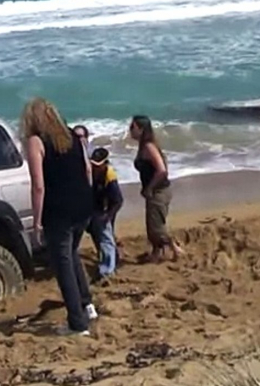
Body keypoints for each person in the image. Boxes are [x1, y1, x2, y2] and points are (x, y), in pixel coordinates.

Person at [22, 97, 97, 336]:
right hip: (83, 205)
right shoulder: (73, 137)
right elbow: (87, 169)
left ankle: (78, 324)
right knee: (71, 254)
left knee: (62, 264)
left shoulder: (36, 141)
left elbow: (38, 186)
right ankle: (88, 304)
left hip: (60, 211)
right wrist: (86, 195)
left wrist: (37, 221)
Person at [129, 115, 185, 262]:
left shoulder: (148, 147)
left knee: (157, 227)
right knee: (153, 224)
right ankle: (156, 253)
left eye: (132, 127)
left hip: (158, 191)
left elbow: (161, 170)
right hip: (157, 191)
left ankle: (175, 248)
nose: (130, 131)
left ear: (141, 129)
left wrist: (150, 188)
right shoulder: (145, 145)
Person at [87, 147, 123, 279]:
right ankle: (111, 258)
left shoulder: (109, 175)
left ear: (105, 164)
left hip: (105, 209)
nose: (95, 167)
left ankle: (107, 272)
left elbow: (118, 201)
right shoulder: (88, 171)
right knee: (98, 237)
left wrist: (108, 216)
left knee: (105, 237)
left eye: (98, 165)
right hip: (90, 206)